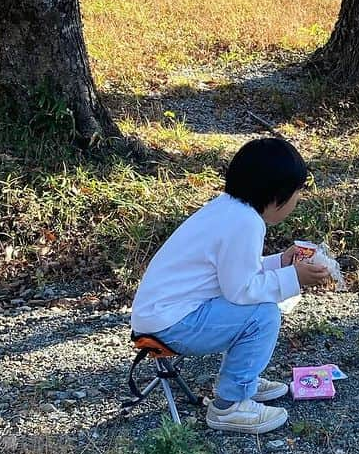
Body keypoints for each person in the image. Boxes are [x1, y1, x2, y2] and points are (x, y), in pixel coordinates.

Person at [130, 137, 330, 434]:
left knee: (256, 309)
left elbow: (232, 272)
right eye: (297, 193)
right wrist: (295, 278)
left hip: (161, 315)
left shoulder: (228, 209)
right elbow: (241, 290)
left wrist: (280, 263)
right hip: (171, 324)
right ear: (276, 195)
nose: (297, 200)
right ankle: (228, 405)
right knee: (262, 314)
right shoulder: (245, 223)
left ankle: (241, 380)